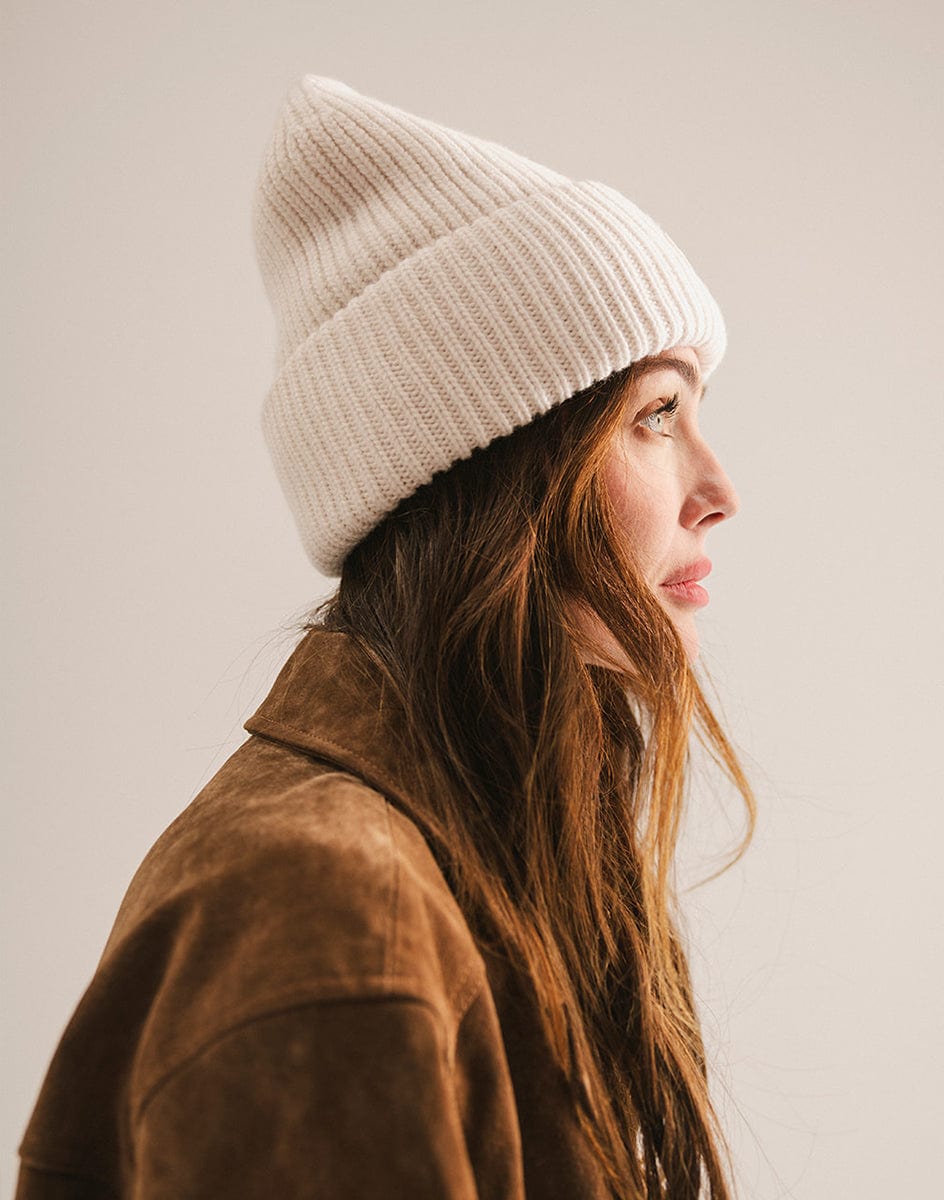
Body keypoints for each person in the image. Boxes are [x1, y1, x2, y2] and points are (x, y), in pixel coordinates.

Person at [16, 75, 755, 1200]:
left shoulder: (473, 852)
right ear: (494, 466)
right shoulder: (329, 914)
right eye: (654, 415)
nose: (719, 489)